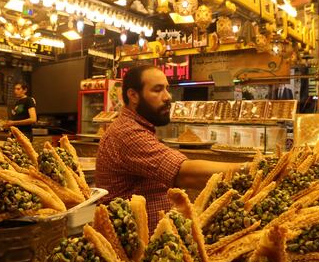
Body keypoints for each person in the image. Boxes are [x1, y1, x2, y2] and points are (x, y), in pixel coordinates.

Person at [96, 65, 243, 230]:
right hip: (134, 247)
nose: (167, 97)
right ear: (133, 95)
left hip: (156, 240)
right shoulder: (127, 133)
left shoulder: (138, 128)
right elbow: (185, 173)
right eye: (157, 90)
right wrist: (249, 170)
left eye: (167, 89)